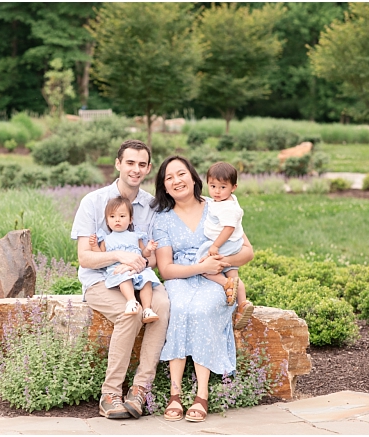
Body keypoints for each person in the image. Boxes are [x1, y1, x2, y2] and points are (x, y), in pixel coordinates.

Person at [151, 156, 254, 423]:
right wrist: (200, 267)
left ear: (194, 178)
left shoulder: (218, 206)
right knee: (180, 307)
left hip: (215, 277)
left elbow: (247, 252)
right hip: (181, 279)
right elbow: (166, 269)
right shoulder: (162, 220)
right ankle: (175, 394)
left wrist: (219, 263)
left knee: (203, 309)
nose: (176, 180)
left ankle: (202, 394)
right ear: (164, 186)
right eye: (169, 177)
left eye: (181, 173)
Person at [72, 139, 165, 420]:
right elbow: (85, 258)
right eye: (130, 163)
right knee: (130, 313)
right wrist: (120, 257)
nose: (135, 169)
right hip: (100, 280)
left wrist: (140, 260)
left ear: (148, 168)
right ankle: (110, 393)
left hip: (140, 278)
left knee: (161, 307)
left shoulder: (151, 205)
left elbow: (153, 257)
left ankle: (140, 390)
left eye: (141, 164)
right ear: (118, 164)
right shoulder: (93, 201)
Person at [197, 162, 256, 329]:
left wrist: (215, 246)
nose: (216, 191)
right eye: (212, 186)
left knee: (203, 267)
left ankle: (225, 284)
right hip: (233, 243)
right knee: (233, 274)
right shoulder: (227, 200)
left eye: (222, 187)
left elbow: (229, 228)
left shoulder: (227, 208)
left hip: (225, 244)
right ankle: (243, 304)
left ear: (233, 187)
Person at [95, 196, 163, 324]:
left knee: (147, 279)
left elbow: (143, 253)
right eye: (112, 217)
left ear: (131, 219)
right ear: (107, 221)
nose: (117, 220)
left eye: (122, 216)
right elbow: (101, 257)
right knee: (124, 277)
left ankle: (147, 309)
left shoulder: (135, 236)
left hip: (138, 268)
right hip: (120, 269)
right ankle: (131, 301)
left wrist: (148, 249)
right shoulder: (106, 239)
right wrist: (94, 246)